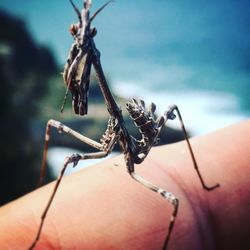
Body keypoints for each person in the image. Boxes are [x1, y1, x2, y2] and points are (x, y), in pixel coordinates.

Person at [0, 120, 249, 250]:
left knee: (173, 201)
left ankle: (202, 180)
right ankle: (40, 195)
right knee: (53, 126)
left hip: (135, 154)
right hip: (124, 147)